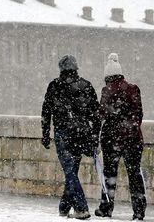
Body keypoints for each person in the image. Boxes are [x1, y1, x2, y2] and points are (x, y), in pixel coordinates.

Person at [41, 54, 100, 220]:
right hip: (81, 134)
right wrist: (95, 136)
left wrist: (45, 133)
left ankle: (81, 208)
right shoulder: (86, 85)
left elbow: (46, 112)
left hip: (63, 134)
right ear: (76, 68)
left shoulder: (55, 85)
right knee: (71, 171)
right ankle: (64, 207)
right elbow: (95, 115)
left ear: (61, 69)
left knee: (70, 172)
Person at [95, 53, 146, 220]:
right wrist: (130, 129)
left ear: (107, 76)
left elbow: (101, 115)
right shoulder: (133, 89)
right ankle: (139, 210)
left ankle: (106, 207)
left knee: (110, 175)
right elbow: (139, 114)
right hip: (133, 139)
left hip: (112, 140)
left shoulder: (107, 91)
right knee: (135, 175)